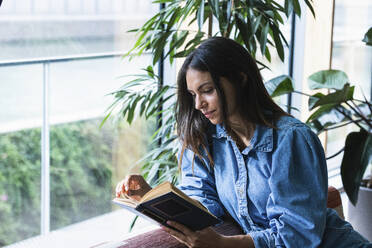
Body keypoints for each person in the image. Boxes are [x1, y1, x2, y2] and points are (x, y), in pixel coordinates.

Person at [116, 37, 372, 248]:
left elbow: (298, 236)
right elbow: (203, 203)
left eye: (207, 90)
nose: (198, 104)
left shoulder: (291, 140)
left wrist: (225, 244)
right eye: (193, 94)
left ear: (240, 79)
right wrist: (154, 199)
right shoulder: (206, 138)